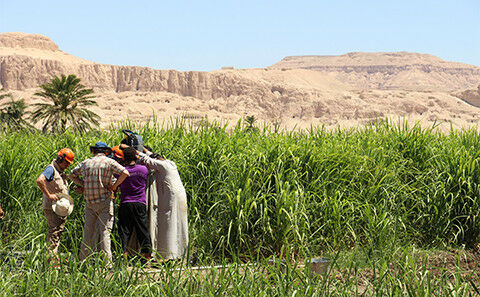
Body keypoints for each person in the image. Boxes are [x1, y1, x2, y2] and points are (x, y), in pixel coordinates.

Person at [121, 144, 188, 260]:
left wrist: (134, 150)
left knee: (169, 223)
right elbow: (150, 158)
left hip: (170, 197)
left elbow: (147, 160)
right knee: (177, 223)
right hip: (178, 195)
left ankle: (169, 255)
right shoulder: (170, 163)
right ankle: (177, 254)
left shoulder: (161, 165)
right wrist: (144, 150)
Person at [68, 142, 129, 263]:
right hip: (105, 202)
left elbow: (71, 175)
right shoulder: (109, 162)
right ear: (106, 151)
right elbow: (125, 173)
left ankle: (83, 261)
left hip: (90, 203)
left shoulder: (86, 163)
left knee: (88, 232)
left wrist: (84, 184)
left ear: (93, 151)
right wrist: (114, 186)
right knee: (105, 233)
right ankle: (107, 264)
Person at [112, 146, 152, 261]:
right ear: (136, 157)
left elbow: (115, 179)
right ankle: (147, 258)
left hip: (125, 203)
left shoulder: (121, 172)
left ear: (124, 158)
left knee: (124, 231)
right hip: (140, 203)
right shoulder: (143, 169)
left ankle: (124, 256)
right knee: (143, 230)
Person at [36, 148, 74, 258]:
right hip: (52, 208)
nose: (67, 165)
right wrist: (49, 195)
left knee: (57, 233)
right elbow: (40, 180)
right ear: (60, 159)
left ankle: (52, 258)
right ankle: (51, 261)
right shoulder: (51, 169)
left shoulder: (59, 172)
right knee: (54, 234)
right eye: (66, 162)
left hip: (59, 208)